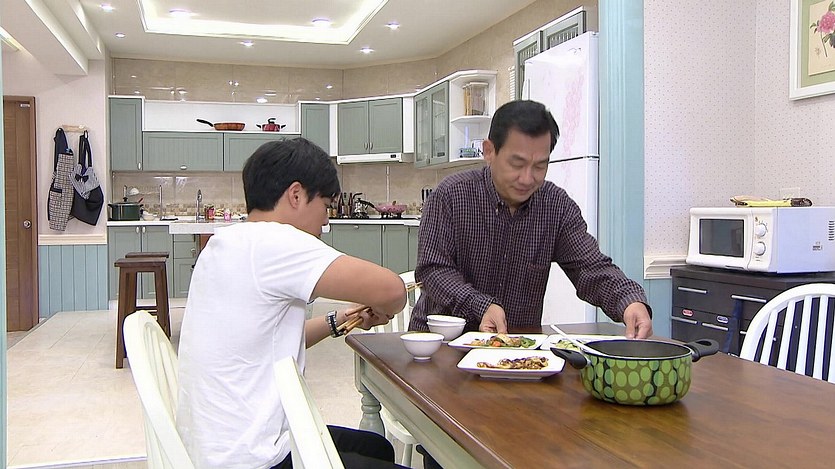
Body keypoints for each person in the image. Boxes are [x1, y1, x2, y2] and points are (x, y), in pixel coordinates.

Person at [176, 138, 408, 469]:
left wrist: (338, 319)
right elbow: (394, 291)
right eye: (325, 206)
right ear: (296, 195)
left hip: (215, 446)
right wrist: (383, 305)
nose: (325, 222)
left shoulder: (224, 243)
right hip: (253, 458)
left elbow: (266, 341)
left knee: (375, 447)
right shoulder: (277, 241)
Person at [409, 100, 653, 339]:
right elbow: (432, 270)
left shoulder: (556, 206)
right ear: (489, 151)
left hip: (516, 349)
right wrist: (480, 305)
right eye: (517, 164)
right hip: (439, 345)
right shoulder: (451, 195)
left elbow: (591, 268)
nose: (527, 179)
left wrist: (629, 301)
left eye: (539, 166)